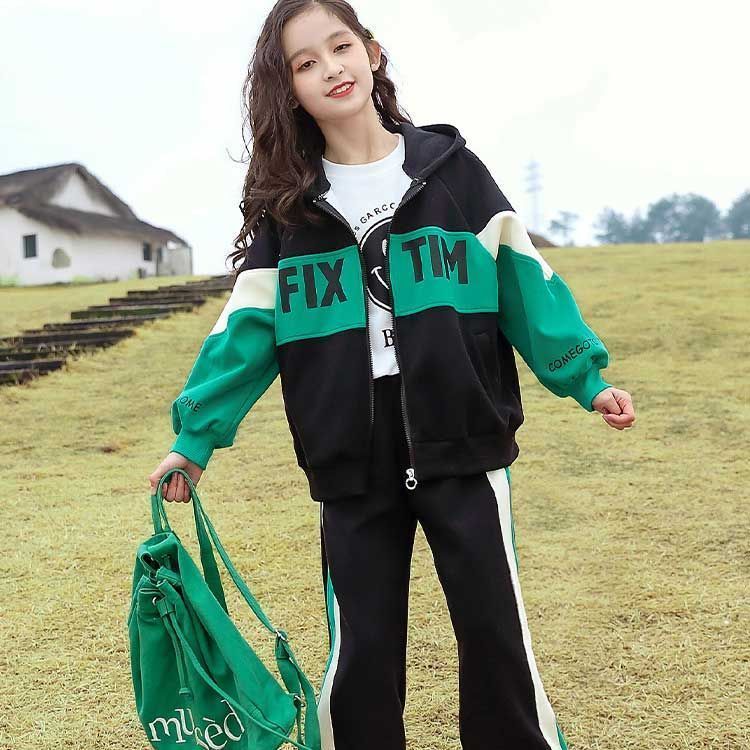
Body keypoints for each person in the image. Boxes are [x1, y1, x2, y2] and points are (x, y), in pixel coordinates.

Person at [149, 1, 636, 748]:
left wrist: (586, 379)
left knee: (495, 635)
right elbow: (245, 332)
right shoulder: (292, 210)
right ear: (289, 89)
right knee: (363, 651)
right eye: (305, 63)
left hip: (461, 436)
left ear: (372, 53)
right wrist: (195, 440)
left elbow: (523, 283)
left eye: (340, 46)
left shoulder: (452, 174)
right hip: (351, 453)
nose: (330, 68)